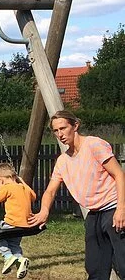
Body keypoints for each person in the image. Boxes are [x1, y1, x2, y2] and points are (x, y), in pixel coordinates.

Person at [28, 110, 125, 279]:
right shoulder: (63, 161)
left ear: (75, 126)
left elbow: (119, 174)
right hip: (94, 215)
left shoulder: (94, 145)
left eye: (63, 128)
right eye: (56, 131)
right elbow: (50, 190)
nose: (60, 134)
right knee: (95, 268)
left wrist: (121, 209)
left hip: (114, 208)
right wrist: (44, 211)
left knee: (123, 265)